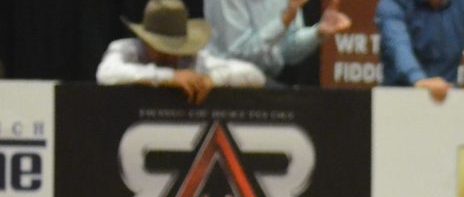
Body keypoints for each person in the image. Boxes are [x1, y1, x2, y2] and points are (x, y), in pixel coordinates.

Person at [97, 0, 265, 101]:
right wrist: (170, 77)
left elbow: (255, 75)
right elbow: (106, 74)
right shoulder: (126, 49)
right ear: (146, 42)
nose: (169, 56)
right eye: (161, 49)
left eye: (173, 50)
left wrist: (211, 79)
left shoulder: (193, 59)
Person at [211, 0, 353, 85]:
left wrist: (317, 32)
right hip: (224, 82)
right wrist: (282, 22)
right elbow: (236, 54)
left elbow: (285, 51)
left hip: (270, 80)